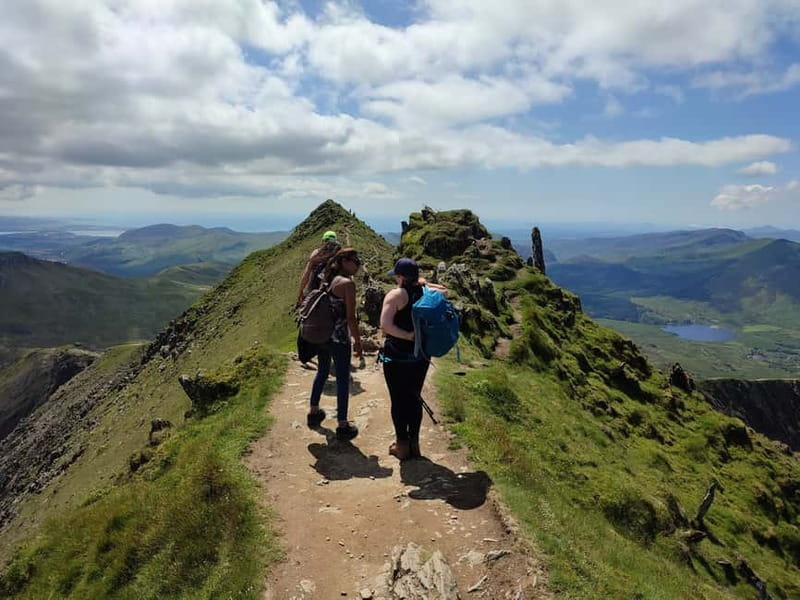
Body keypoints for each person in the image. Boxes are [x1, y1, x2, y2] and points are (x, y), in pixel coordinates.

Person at [379, 258, 446, 460]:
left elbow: (385, 326)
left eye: (397, 276)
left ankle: (401, 446)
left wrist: (407, 335)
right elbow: (444, 290)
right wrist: (423, 282)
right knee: (415, 397)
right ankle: (414, 445)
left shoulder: (396, 295)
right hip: (421, 355)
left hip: (397, 356)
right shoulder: (427, 291)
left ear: (400, 277)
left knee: (398, 399)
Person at [306, 247, 364, 441]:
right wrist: (358, 342)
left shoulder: (328, 279)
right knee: (343, 379)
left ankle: (313, 412)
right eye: (355, 260)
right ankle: (342, 424)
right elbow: (350, 317)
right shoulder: (347, 284)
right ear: (344, 262)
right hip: (339, 338)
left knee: (322, 371)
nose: (358, 264)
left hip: (322, 336)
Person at [297, 231, 341, 305]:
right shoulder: (338, 255)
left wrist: (301, 291)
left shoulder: (318, 254)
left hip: (315, 290)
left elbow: (306, 274)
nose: (329, 246)